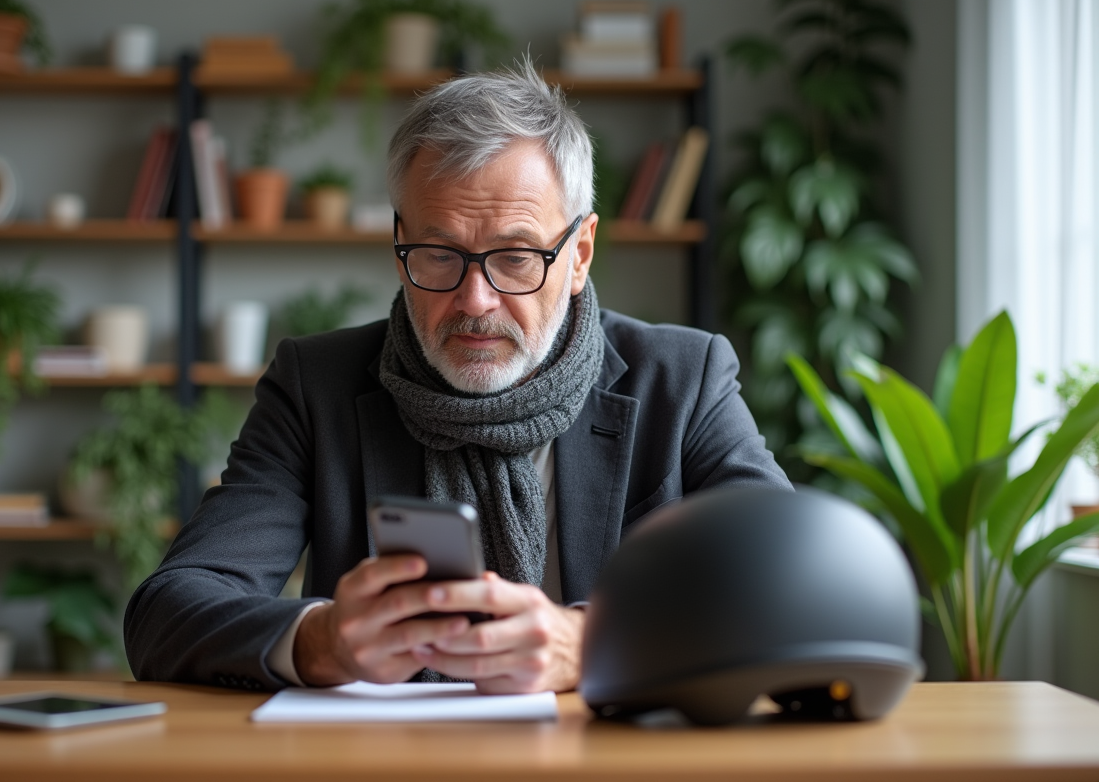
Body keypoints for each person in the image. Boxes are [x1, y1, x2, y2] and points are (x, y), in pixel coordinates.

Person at [124, 59, 790, 695]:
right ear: (399, 247)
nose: (475, 301)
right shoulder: (315, 386)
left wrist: (594, 641)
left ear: (580, 253)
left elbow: (793, 585)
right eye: (439, 255)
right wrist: (319, 641)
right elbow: (168, 610)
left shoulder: (683, 380)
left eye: (517, 257)